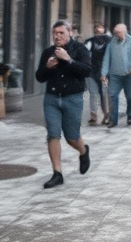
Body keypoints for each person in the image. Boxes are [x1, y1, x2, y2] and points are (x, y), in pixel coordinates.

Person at [35, 19, 92, 189]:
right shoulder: (48, 52)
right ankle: (57, 173)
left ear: (70, 33)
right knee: (53, 135)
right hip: (52, 99)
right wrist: (47, 67)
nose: (57, 36)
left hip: (73, 98)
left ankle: (83, 151)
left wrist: (68, 59)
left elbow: (87, 71)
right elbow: (39, 77)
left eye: (61, 33)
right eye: (55, 33)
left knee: (72, 138)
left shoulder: (80, 49)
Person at [100, 24, 131, 127]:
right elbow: (106, 60)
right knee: (112, 95)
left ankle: (130, 116)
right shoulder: (111, 44)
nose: (116, 35)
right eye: (115, 33)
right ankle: (113, 120)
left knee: (130, 97)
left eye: (118, 33)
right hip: (115, 75)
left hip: (128, 75)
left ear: (124, 32)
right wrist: (104, 73)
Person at [83, 22, 111, 126]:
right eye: (97, 28)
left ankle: (106, 114)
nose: (99, 30)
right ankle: (93, 115)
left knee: (104, 94)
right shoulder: (89, 42)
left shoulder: (109, 41)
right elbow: (85, 55)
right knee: (93, 94)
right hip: (92, 71)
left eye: (101, 27)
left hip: (105, 72)